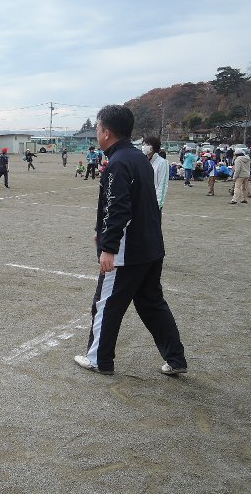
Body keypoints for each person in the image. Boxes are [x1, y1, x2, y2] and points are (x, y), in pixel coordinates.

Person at [74, 105, 187, 377]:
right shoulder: (138, 158)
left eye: (98, 129)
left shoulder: (119, 162)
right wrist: (100, 231)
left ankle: (99, 359)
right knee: (151, 303)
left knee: (106, 303)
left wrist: (109, 247)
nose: (96, 133)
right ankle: (176, 358)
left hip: (128, 251)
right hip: (151, 247)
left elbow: (118, 207)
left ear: (106, 132)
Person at [142, 136, 168, 210]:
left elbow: (162, 184)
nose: (144, 147)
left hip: (153, 201)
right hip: (142, 201)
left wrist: (158, 204)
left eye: (147, 144)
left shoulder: (162, 162)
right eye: (143, 144)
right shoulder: (142, 161)